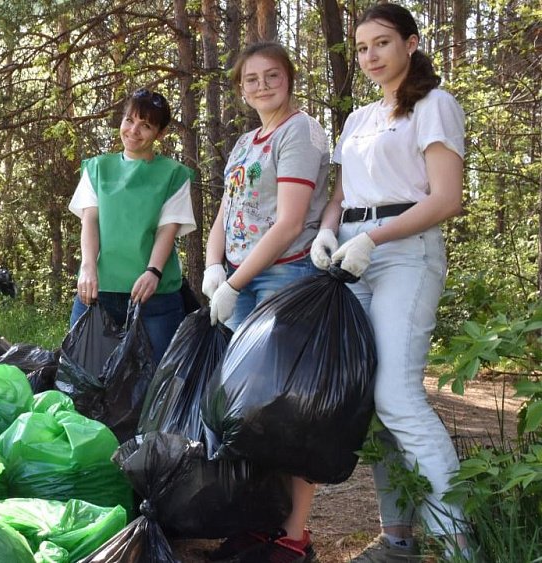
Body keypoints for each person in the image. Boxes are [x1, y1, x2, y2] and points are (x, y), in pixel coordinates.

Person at [310, 3, 471, 561]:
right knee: (368, 402)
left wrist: (372, 239)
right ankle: (398, 540)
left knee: (398, 397)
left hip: (404, 252)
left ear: (410, 42)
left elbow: (446, 199)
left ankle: (457, 545)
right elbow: (340, 195)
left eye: (381, 43)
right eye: (361, 47)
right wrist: (328, 232)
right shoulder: (357, 119)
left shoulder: (434, 106)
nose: (370, 56)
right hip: (350, 257)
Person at [201, 42, 329, 563]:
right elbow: (226, 214)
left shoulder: (299, 132)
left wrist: (237, 282)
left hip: (283, 278)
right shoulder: (245, 142)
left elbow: (291, 222)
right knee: (247, 412)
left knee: (287, 411)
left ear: (289, 78)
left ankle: (295, 534)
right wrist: (214, 267)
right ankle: (260, 520)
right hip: (241, 278)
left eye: (270, 76)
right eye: (250, 79)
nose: (260, 86)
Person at [68, 88, 196, 365]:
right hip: (97, 290)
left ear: (159, 134)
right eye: (129, 120)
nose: (134, 130)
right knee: (81, 375)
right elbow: (90, 220)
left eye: (146, 125)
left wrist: (153, 271)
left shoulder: (173, 174)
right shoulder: (98, 168)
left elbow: (167, 229)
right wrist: (88, 266)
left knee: (158, 382)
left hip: (154, 296)